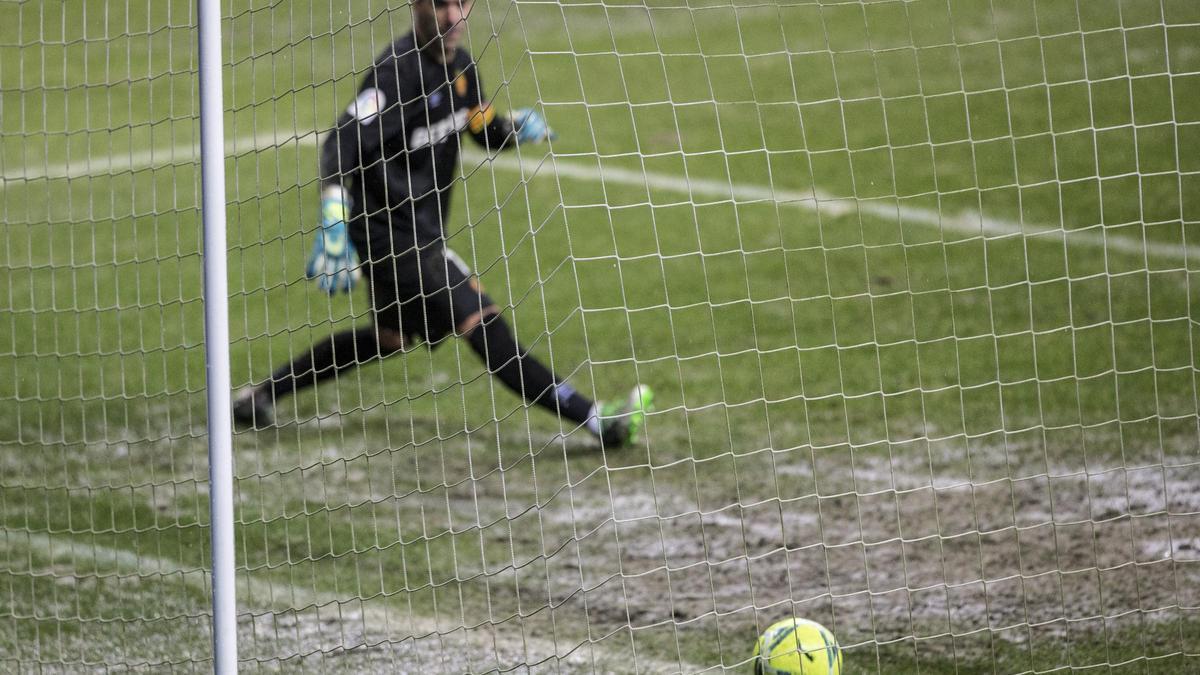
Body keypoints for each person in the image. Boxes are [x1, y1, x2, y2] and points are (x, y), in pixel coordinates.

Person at [233, 0, 652, 448]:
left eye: (461, 4)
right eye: (439, 5)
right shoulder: (396, 74)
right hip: (390, 235)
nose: (453, 18)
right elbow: (342, 139)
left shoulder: (463, 68)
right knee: (482, 321)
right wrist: (334, 217)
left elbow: (480, 126)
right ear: (417, 7)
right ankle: (593, 418)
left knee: (390, 337)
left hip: (418, 232)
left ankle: (259, 395)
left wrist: (512, 128)